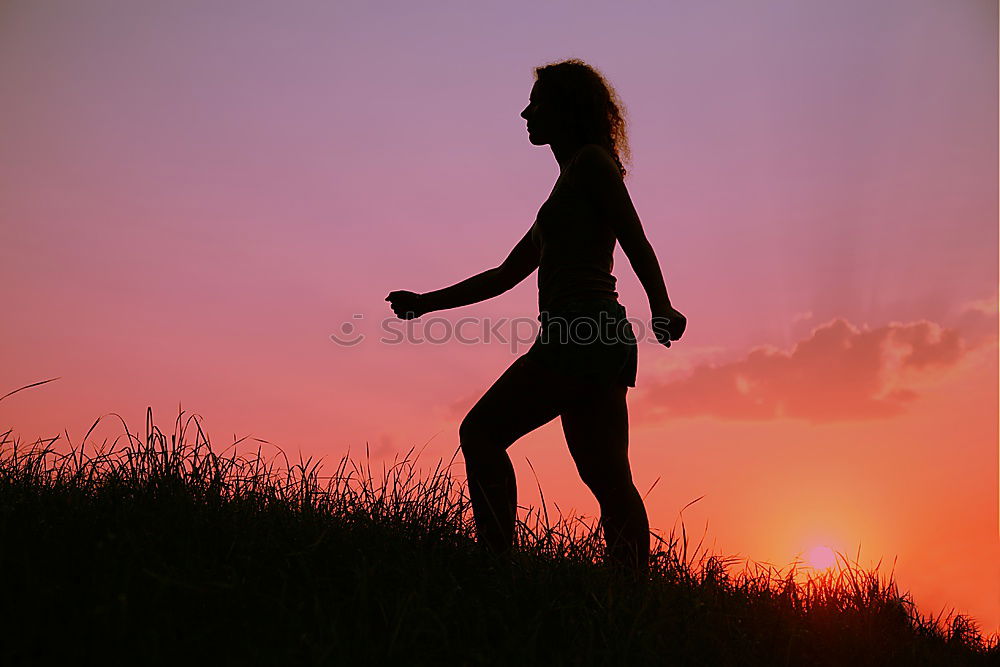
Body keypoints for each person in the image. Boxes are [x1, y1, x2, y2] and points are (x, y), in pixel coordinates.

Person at [386, 59, 686, 576]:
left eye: (538, 102)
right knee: (608, 478)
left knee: (482, 433)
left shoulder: (592, 164)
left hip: (580, 334)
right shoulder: (566, 187)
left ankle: (496, 568)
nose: (526, 112)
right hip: (601, 338)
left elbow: (634, 236)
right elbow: (505, 274)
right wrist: (426, 303)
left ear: (568, 110)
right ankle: (633, 593)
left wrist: (662, 304)